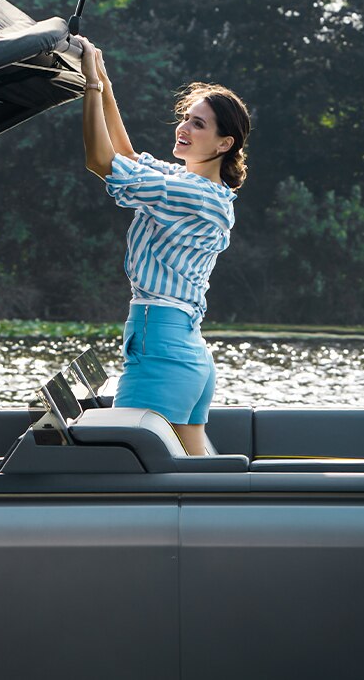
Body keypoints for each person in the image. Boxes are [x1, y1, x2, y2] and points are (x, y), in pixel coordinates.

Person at [79, 38, 250, 455]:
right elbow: (126, 154)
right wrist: (105, 80)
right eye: (185, 118)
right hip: (180, 347)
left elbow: (101, 162)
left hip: (161, 343)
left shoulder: (193, 194)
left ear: (224, 144)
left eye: (198, 124)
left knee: (125, 458)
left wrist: (89, 87)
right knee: (196, 472)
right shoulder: (193, 186)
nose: (184, 128)